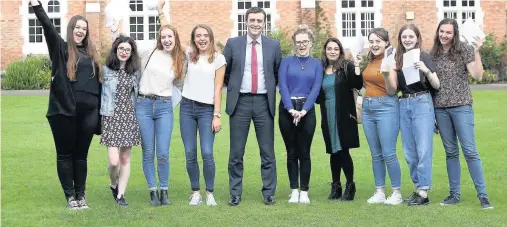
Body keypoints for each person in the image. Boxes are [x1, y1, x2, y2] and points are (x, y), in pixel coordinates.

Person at [30, 0, 102, 210]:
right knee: (65, 154)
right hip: (64, 112)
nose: (80, 31)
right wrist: (36, 5)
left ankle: (81, 195)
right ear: (71, 29)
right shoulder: (61, 48)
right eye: (77, 28)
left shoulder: (91, 54)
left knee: (81, 156)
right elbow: (47, 25)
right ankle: (70, 196)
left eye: (84, 29)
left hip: (89, 113)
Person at [430, 18, 493, 209]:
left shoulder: (463, 50)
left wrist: (476, 50)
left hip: (461, 107)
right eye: (442, 31)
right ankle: (454, 195)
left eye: (448, 32)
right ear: (438, 31)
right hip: (440, 109)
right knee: (450, 152)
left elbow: (477, 76)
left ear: (454, 33)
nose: (444, 35)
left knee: (470, 151)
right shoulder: (433, 54)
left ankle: (483, 195)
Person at [223, 6, 282, 206]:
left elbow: (276, 72)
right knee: (236, 152)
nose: (256, 24)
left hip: (264, 103)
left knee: (267, 152)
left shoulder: (273, 45)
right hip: (240, 102)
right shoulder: (233, 44)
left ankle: (268, 192)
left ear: (264, 23)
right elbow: (227, 72)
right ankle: (235, 193)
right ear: (246, 21)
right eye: (252, 20)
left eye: (259, 20)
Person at [385, 24, 440, 206]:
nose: (407, 39)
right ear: (400, 39)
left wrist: (425, 69)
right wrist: (388, 70)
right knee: (409, 152)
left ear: (417, 38)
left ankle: (423, 191)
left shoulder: (424, 56)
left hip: (422, 102)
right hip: (404, 103)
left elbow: (437, 85)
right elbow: (393, 89)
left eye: (411, 36)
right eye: (404, 37)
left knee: (423, 148)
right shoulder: (396, 59)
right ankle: (418, 188)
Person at [136, 24, 185, 206]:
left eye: (170, 37)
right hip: (144, 104)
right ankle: (152, 191)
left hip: (164, 107)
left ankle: (164, 191)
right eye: (163, 37)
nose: (166, 40)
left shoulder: (180, 58)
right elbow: (127, 45)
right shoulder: (149, 52)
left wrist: (169, 105)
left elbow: (179, 86)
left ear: (175, 38)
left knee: (163, 152)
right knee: (148, 151)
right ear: (159, 39)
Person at [180, 24, 226, 206]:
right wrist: (161, 12)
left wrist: (217, 115)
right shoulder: (191, 54)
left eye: (205, 35)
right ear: (194, 38)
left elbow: (218, 88)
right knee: (190, 152)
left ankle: (210, 192)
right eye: (198, 35)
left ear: (211, 37)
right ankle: (195, 191)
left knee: (207, 152)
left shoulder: (218, 59)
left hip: (207, 110)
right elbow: (173, 35)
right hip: (186, 108)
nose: (202, 39)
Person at [278, 25, 322, 204]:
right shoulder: (286, 61)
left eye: (305, 41)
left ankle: (304, 190)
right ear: (294, 43)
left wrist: (304, 110)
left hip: (307, 109)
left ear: (311, 43)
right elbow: (283, 86)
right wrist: (290, 109)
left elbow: (316, 88)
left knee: (304, 151)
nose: (302, 45)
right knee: (291, 151)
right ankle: (294, 189)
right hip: (287, 109)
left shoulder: (317, 63)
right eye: (298, 42)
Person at [361, 28, 403, 205]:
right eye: (371, 41)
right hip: (368, 107)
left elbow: (393, 89)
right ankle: (379, 191)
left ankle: (396, 192)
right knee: (375, 153)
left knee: (388, 152)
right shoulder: (369, 61)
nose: (374, 44)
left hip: (387, 106)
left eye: (378, 41)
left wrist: (386, 72)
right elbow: (364, 84)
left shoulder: (391, 60)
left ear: (386, 42)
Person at [317, 37, 362, 202]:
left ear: (340, 51)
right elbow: (317, 95)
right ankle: (336, 186)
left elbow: (357, 83)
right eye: (329, 48)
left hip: (343, 114)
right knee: (333, 151)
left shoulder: (346, 66)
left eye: (336, 49)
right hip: (327, 114)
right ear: (325, 50)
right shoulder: (321, 69)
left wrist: (356, 65)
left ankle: (350, 186)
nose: (333, 51)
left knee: (343, 150)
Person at [100, 35, 142, 207]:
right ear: (115, 50)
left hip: (129, 117)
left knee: (124, 158)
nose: (124, 52)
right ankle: (113, 183)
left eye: (127, 50)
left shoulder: (136, 72)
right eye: (121, 49)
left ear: (132, 53)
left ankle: (121, 194)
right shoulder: (106, 70)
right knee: (113, 161)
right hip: (110, 117)